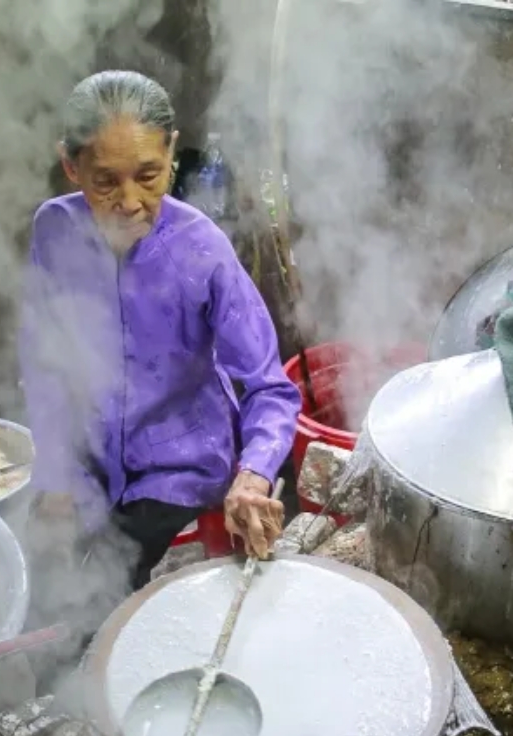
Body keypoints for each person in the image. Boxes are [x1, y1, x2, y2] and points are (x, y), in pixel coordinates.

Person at [18, 71, 301, 671]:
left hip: (178, 470)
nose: (128, 202)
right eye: (104, 182)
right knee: (35, 598)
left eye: (148, 175)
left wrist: (253, 478)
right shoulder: (53, 230)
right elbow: (41, 360)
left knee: (121, 623)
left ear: (172, 151)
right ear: (70, 168)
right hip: (92, 460)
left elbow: (270, 388)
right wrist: (56, 472)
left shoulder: (202, 250)